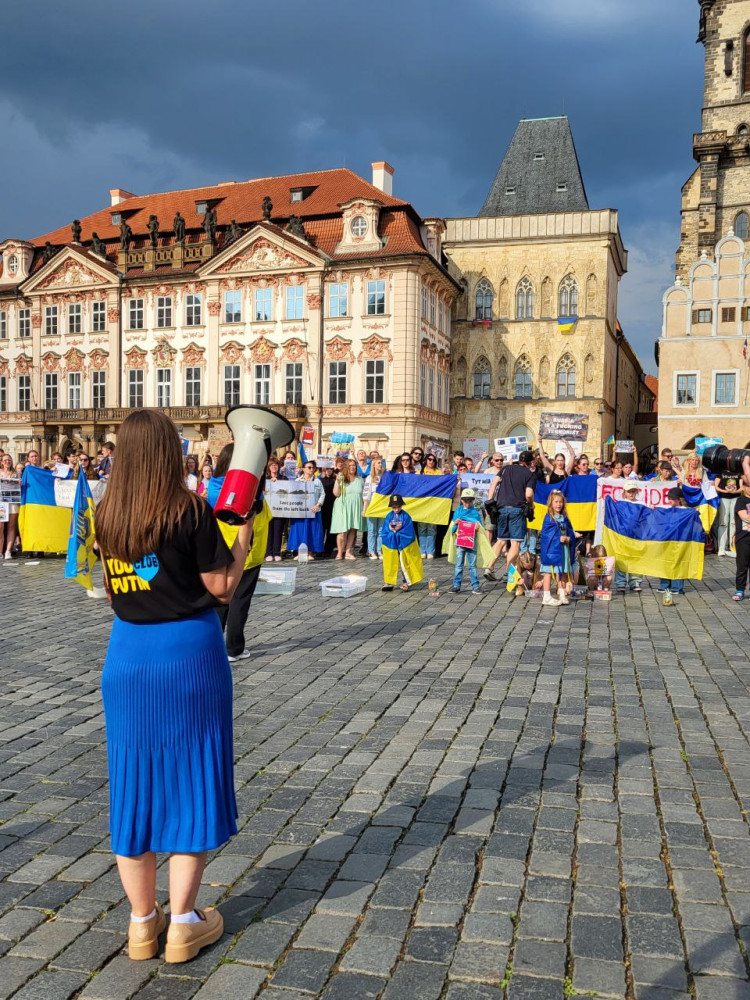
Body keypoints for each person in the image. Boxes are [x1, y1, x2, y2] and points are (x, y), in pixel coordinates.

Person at [95, 409, 253, 964]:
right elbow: (222, 587)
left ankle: (142, 923)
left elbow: (113, 591)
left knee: (133, 785)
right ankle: (183, 922)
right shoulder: (189, 510)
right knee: (191, 781)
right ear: (167, 454)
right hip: (188, 654)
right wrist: (243, 540)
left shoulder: (105, 513)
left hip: (128, 655)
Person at [209, 444, 271, 660]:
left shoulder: (214, 485)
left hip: (219, 552)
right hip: (245, 552)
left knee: (219, 601)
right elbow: (258, 512)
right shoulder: (246, 488)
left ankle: (213, 647)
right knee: (240, 600)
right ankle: (234, 648)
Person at [484, 450, 536, 583]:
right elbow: (529, 494)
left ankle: (489, 567)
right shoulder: (529, 474)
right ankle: (509, 573)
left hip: (501, 508)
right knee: (515, 542)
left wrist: (489, 502)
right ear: (530, 462)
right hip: (517, 509)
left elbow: (493, 483)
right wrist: (531, 505)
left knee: (501, 540)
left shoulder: (506, 468)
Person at [539, 490, 576, 607]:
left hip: (563, 550)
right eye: (556, 502)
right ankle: (546, 596)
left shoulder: (565, 518)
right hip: (551, 550)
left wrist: (569, 538)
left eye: (560, 502)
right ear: (551, 503)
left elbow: (571, 532)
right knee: (548, 572)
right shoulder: (549, 518)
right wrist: (557, 539)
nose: (558, 504)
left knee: (563, 571)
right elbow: (546, 535)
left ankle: (562, 594)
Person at [380, 494, 423, 592]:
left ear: (401, 506)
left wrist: (398, 530)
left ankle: (406, 581)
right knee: (390, 561)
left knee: (405, 562)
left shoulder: (406, 516)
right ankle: (389, 582)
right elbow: (385, 531)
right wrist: (392, 530)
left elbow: (409, 532)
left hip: (403, 545)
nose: (396, 509)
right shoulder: (389, 516)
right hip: (392, 544)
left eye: (398, 507)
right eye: (394, 507)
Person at [287, 460, 324, 559]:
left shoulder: (317, 481)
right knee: (299, 531)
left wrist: (318, 505)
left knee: (312, 532)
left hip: (313, 511)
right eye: (309, 467)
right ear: (303, 469)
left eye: (313, 468)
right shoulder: (297, 481)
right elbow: (292, 495)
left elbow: (322, 494)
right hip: (300, 512)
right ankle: (300, 553)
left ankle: (310, 553)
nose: (311, 469)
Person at [449, 488, 483, 594]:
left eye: (470, 501)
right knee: (459, 565)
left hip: (471, 542)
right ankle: (456, 585)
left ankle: (475, 586)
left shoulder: (475, 512)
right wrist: (455, 523)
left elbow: (480, 525)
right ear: (462, 500)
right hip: (460, 541)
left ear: (472, 501)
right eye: (465, 501)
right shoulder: (458, 511)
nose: (467, 504)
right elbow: (452, 527)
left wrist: (478, 527)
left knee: (472, 566)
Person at [658, 487, 687, 605]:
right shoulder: (667, 509)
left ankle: (676, 586)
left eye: (672, 498)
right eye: (669, 498)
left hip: (681, 541)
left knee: (678, 562)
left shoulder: (686, 511)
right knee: (665, 561)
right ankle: (664, 585)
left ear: (679, 499)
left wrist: (694, 513)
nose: (669, 500)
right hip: (668, 541)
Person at [331, 458, 364, 559]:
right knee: (342, 531)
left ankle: (348, 552)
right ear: (346, 467)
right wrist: (337, 482)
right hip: (342, 507)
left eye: (354, 465)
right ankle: (340, 552)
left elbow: (363, 495)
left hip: (356, 507)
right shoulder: (341, 477)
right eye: (350, 465)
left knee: (352, 530)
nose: (352, 467)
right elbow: (336, 493)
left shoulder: (360, 479)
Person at [614, 482, 643, 593]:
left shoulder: (642, 504)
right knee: (621, 559)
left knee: (635, 559)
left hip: (637, 537)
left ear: (636, 492)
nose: (631, 493)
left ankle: (635, 582)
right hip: (622, 536)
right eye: (629, 491)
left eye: (633, 491)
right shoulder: (619, 504)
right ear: (624, 492)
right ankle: (620, 583)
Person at [418, 454, 442, 558]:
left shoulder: (439, 473)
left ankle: (430, 551)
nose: (431, 461)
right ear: (425, 460)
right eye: (429, 459)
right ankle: (422, 550)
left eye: (433, 460)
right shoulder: (419, 472)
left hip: (434, 503)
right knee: (422, 528)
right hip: (422, 504)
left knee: (432, 528)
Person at [362, 457, 385, 560]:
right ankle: (371, 551)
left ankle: (379, 550)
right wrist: (365, 508)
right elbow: (366, 494)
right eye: (378, 463)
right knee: (372, 530)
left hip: (382, 507)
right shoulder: (369, 478)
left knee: (381, 530)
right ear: (374, 465)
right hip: (372, 506)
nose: (380, 465)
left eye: (381, 463)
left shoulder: (384, 477)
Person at [264, 458, 286, 562]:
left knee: (278, 531)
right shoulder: (265, 479)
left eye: (276, 465)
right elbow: (262, 493)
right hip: (267, 509)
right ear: (269, 467)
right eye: (272, 465)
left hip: (280, 509)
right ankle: (268, 553)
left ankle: (277, 552)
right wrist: (270, 484)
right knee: (268, 532)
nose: (274, 466)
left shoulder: (283, 478)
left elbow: (287, 491)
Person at [716, 468, 741, 557]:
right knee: (723, 523)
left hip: (735, 498)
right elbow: (716, 486)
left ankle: (732, 547)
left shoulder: (738, 472)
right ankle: (721, 548)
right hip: (724, 498)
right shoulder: (721, 472)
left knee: (734, 522)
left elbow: (741, 487)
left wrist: (735, 491)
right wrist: (725, 491)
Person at [0, 453, 20, 560]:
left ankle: (8, 551)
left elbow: (21, 487)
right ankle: (0, 551)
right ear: (2, 462)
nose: (8, 462)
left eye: (9, 460)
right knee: (0, 527)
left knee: (11, 526)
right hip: (1, 503)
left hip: (13, 502)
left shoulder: (16, 474)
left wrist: (20, 484)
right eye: (6, 460)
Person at [732, 482, 750, 600]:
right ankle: (740, 590)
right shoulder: (741, 500)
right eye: (748, 486)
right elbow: (745, 517)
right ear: (743, 487)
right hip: (743, 538)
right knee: (742, 565)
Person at [319, 465, 338, 556]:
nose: (329, 470)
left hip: (332, 507)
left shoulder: (335, 480)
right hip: (322, 507)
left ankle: (328, 549)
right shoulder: (320, 480)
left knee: (331, 529)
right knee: (321, 529)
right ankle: (319, 549)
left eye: (331, 469)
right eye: (327, 469)